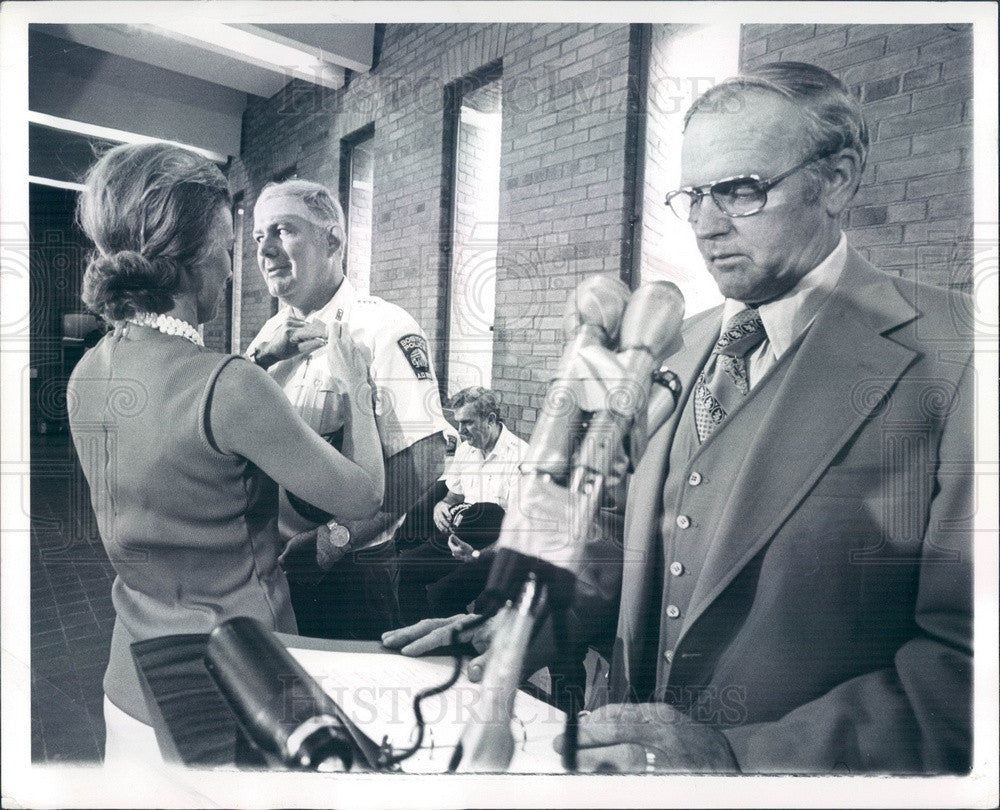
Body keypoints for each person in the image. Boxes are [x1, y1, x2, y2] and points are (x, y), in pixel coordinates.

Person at [384, 62, 973, 774]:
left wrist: (738, 758)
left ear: (839, 178)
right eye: (694, 195)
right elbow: (626, 544)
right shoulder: (683, 343)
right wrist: (522, 630)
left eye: (741, 191)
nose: (703, 225)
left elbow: (966, 668)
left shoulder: (959, 355)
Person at [67, 143, 384, 766]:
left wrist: (258, 364)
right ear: (187, 260)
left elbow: (174, 440)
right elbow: (365, 495)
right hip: (239, 691)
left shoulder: (88, 373)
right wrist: (357, 387)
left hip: (132, 685)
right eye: (227, 248)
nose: (234, 269)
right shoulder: (231, 386)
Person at [245, 179, 450, 639]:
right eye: (260, 237)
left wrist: (332, 540)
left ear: (332, 239)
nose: (267, 249)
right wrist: (259, 360)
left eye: (284, 231)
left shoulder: (383, 327)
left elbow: (426, 458)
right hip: (271, 567)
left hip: (345, 574)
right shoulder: (267, 338)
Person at [397, 386, 528, 624]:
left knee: (441, 595)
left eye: (467, 422)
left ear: (490, 419)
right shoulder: (466, 450)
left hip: (495, 549)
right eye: (457, 423)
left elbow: (519, 534)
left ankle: (455, 642)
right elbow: (453, 495)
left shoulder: (521, 457)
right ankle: (424, 637)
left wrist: (477, 554)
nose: (460, 431)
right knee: (403, 570)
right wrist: (441, 506)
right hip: (458, 536)